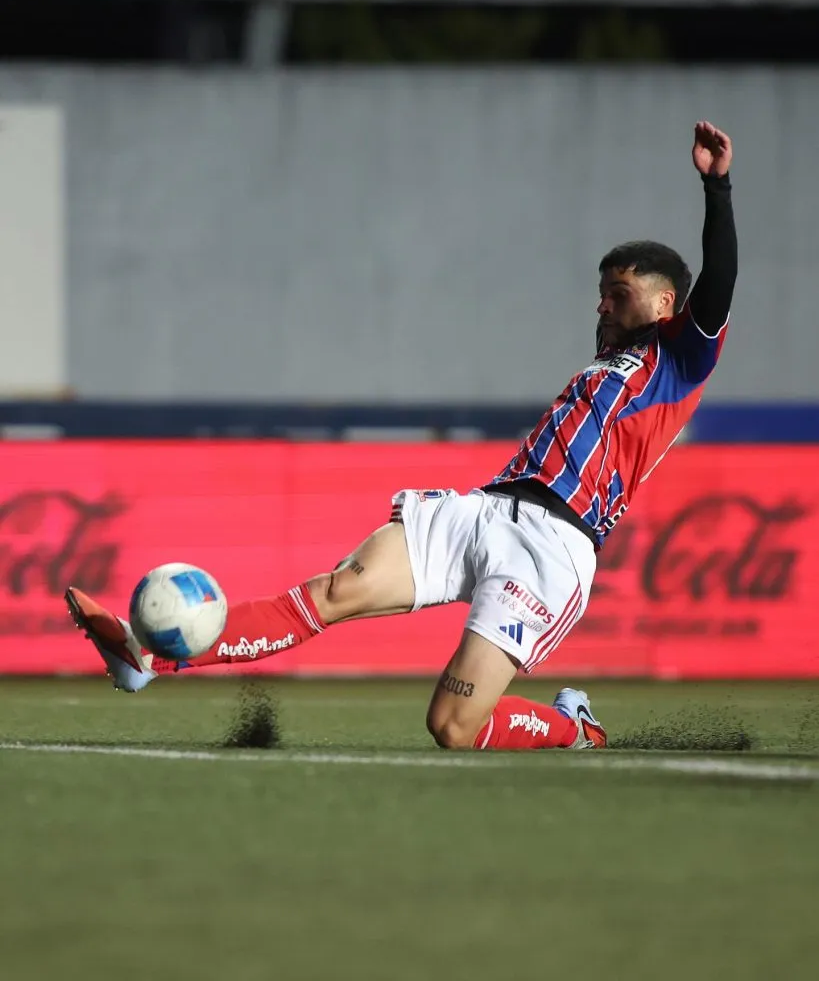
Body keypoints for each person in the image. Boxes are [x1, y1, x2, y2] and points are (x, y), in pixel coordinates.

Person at [65, 121, 737, 753]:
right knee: (336, 590)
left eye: (617, 293)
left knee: (452, 724)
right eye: (599, 292)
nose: (601, 304)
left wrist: (716, 188)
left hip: (551, 548)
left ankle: (571, 726)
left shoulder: (678, 362)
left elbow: (719, 281)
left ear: (664, 304)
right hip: (483, 508)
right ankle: (146, 655)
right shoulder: (605, 368)